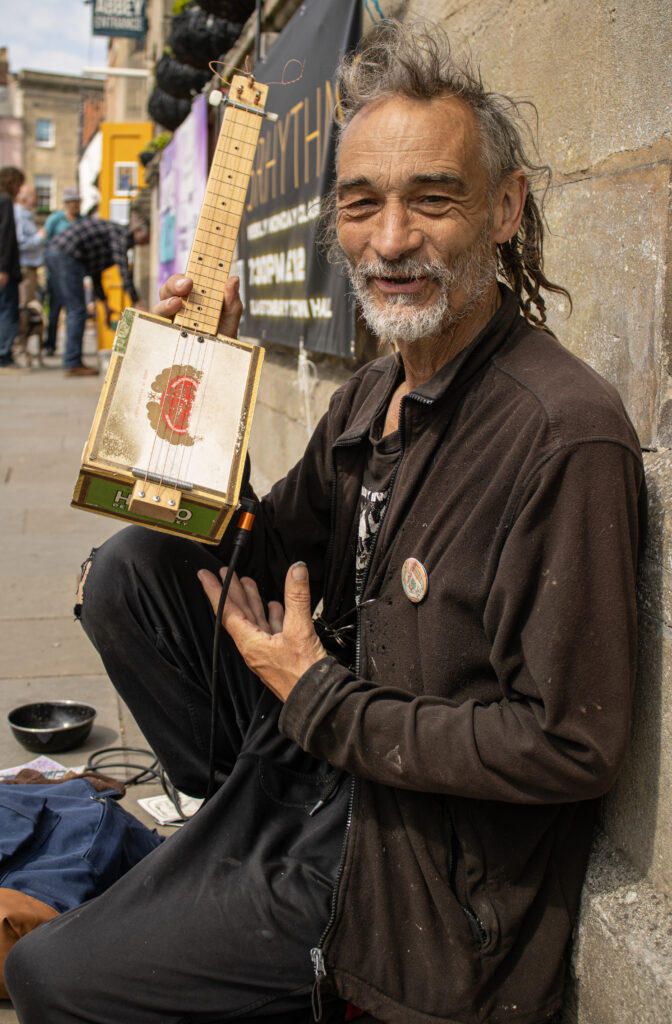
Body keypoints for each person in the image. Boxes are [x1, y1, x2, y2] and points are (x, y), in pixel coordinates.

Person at [5, 22, 646, 1024]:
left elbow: (572, 745)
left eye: (433, 198)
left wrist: (324, 702)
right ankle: (229, 849)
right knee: (133, 572)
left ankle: (269, 928)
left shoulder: (563, 435)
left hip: (418, 876)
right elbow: (261, 553)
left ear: (506, 207)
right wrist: (192, 391)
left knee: (49, 980)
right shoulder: (375, 392)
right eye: (362, 204)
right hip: (317, 768)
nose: (391, 240)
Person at [44, 212, 150, 376]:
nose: (145, 244)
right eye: (146, 239)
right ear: (138, 232)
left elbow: (95, 273)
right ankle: (72, 362)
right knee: (77, 310)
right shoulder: (120, 234)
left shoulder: (106, 240)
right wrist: (136, 302)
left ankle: (72, 360)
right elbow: (124, 271)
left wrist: (105, 304)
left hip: (58, 253)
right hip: (66, 254)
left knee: (73, 308)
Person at [43, 186, 82, 356]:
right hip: (56, 274)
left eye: (78, 202)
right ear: (66, 203)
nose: (76, 206)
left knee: (73, 312)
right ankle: (50, 345)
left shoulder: (81, 221)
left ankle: (70, 349)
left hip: (74, 273)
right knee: (54, 311)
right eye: (73, 202)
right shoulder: (55, 220)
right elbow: (45, 245)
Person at [13, 184, 46, 365]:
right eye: (34, 195)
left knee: (28, 311)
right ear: (23, 198)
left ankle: (22, 349)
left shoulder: (25, 215)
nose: (37, 199)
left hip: (30, 269)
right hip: (25, 268)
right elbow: (20, 243)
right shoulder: (19, 215)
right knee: (23, 310)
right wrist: (39, 237)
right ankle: (19, 349)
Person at [0, 166, 26, 373]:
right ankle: (4, 356)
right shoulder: (5, 201)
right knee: (8, 311)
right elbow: (5, 236)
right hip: (4, 268)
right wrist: (4, 268)